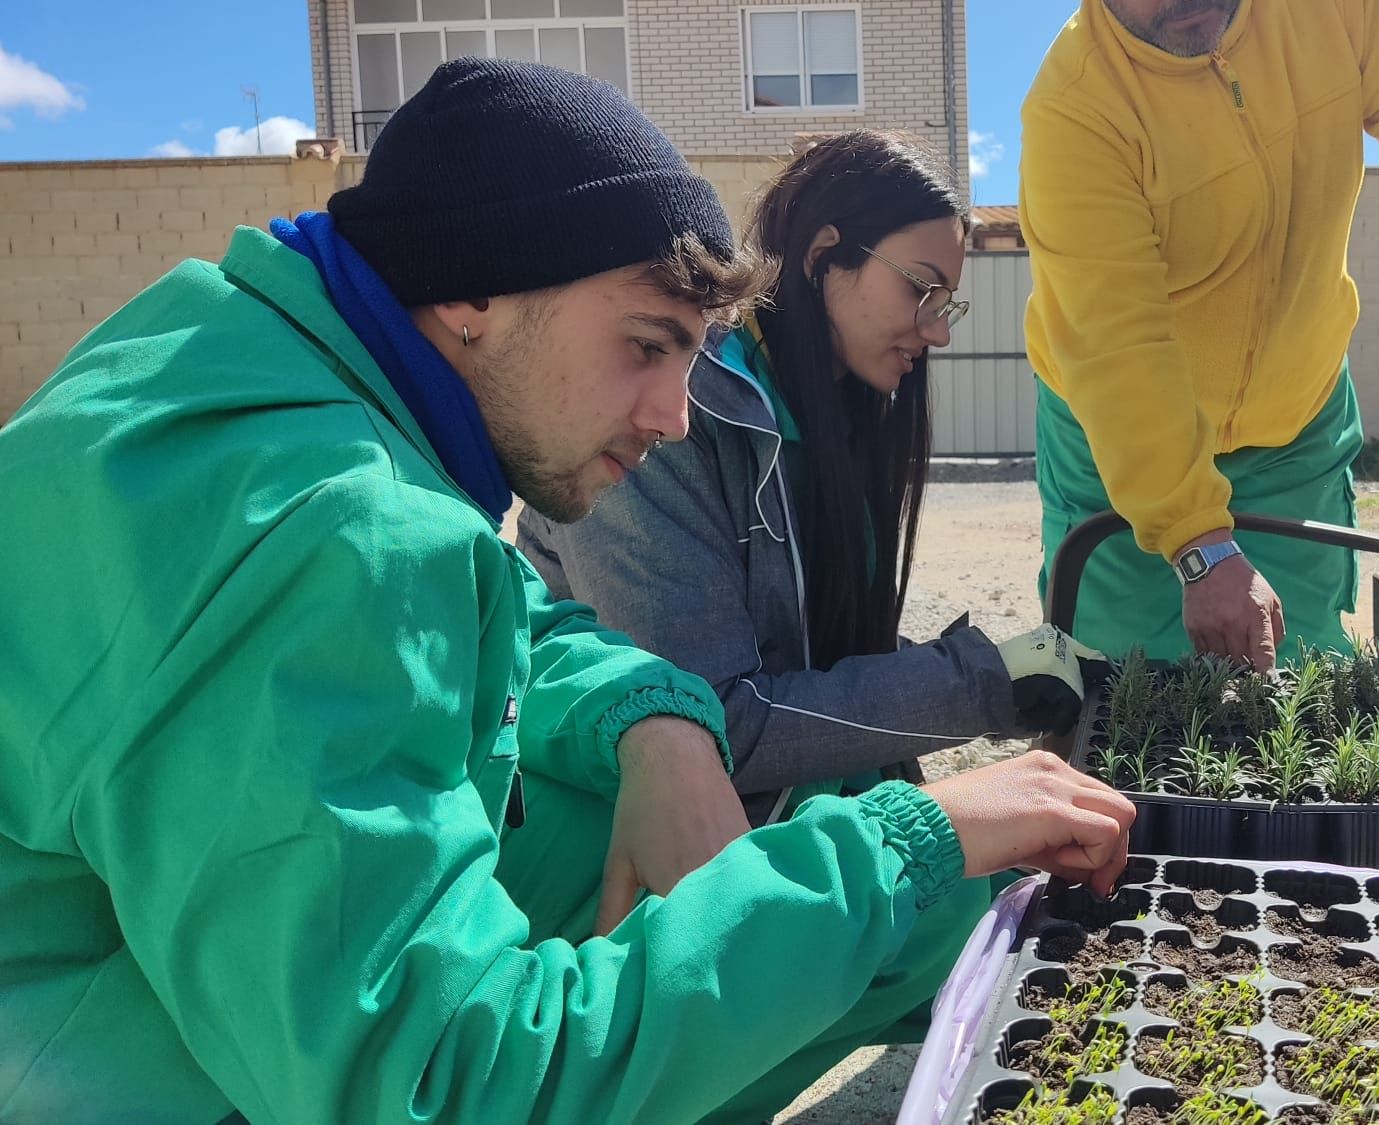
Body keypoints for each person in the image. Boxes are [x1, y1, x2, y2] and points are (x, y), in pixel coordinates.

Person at [0, 58, 1132, 1124]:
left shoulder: (248, 355)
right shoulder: (324, 533)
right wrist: (905, 841)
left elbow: (494, 601)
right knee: (904, 897)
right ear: (471, 293)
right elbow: (436, 1085)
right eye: (646, 345)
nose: (672, 416)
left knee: (731, 859)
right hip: (118, 1066)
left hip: (165, 958)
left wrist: (649, 715)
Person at [519, 130, 1099, 831]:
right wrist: (979, 681)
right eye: (921, 288)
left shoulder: (842, 416)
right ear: (825, 257)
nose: (939, 331)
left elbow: (822, 660)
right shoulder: (674, 416)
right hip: (633, 846)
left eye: (947, 302)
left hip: (786, 816)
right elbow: (717, 720)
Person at [1021, 0, 1379, 670]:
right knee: (1121, 677)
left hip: (1295, 426)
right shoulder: (1073, 107)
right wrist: (1197, 541)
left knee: (1299, 672)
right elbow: (1117, 344)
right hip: (1112, 437)